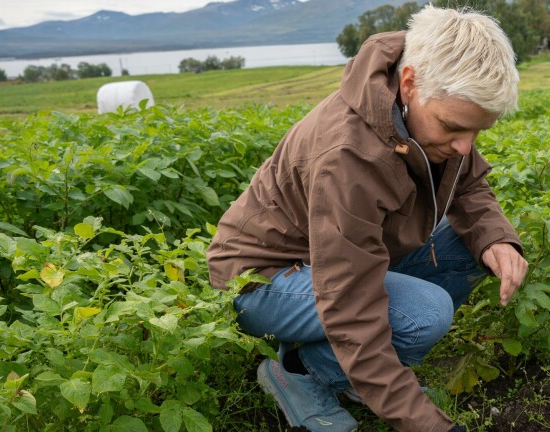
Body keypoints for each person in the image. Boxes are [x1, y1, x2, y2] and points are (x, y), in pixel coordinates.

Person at [206, 5, 527, 432]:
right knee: (424, 313)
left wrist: (495, 239)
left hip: (333, 258)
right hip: (262, 279)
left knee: (473, 247)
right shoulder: (349, 157)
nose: (466, 147)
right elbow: (353, 308)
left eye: (478, 132)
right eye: (454, 127)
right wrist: (433, 427)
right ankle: (300, 371)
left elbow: (465, 182)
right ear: (410, 83)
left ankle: (348, 373)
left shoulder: (420, 110)